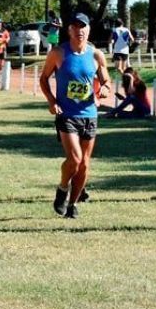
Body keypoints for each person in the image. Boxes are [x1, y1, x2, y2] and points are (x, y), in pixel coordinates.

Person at [39, 12, 112, 219]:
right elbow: (44, 79)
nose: (80, 31)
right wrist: (52, 102)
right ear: (69, 30)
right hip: (67, 114)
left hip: (90, 114)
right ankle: (63, 188)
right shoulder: (58, 53)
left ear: (89, 30)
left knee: (85, 164)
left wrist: (105, 89)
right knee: (75, 159)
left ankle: (72, 204)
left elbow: (106, 81)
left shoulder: (96, 55)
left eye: (83, 27)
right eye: (75, 27)